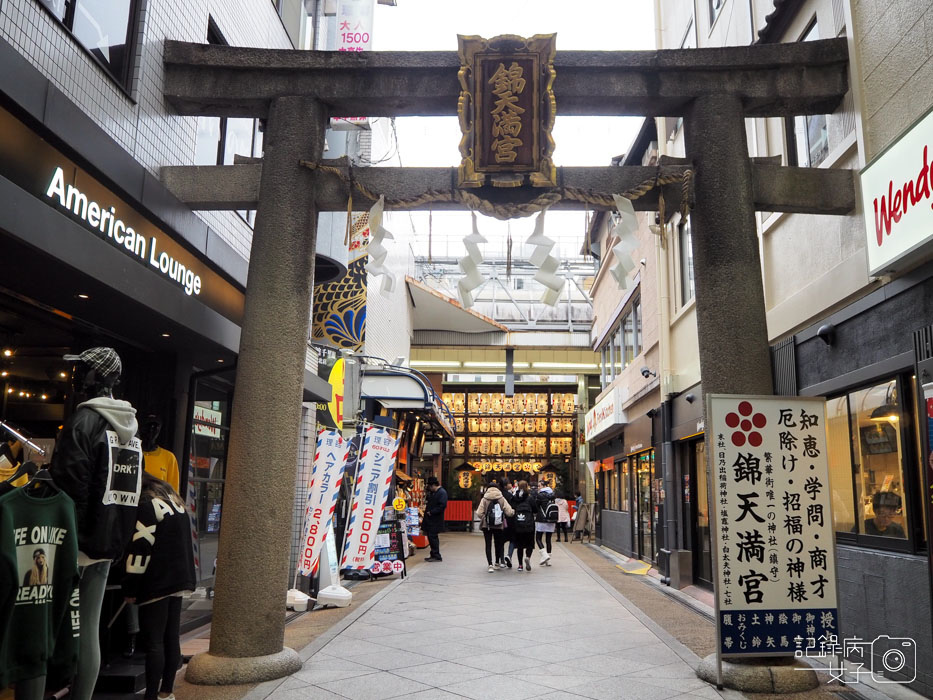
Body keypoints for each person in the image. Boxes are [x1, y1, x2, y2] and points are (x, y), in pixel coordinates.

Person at [49, 347, 141, 700]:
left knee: (54, 623)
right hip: (109, 541)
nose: (75, 375)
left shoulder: (84, 421)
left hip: (76, 541)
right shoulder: (129, 428)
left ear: (99, 376)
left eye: (83, 369)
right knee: (88, 623)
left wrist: (72, 536)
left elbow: (68, 484)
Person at [123, 473, 196, 700]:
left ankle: (151, 695)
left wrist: (131, 587)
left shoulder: (147, 506)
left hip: (157, 580)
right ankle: (166, 692)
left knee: (154, 641)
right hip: (180, 578)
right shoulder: (177, 504)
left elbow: (141, 547)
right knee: (171, 637)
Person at [476, 475, 514, 572]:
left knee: (488, 544)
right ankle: (497, 562)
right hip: (498, 524)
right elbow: (509, 512)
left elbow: (479, 513)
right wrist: (513, 512)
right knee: (498, 543)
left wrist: (485, 518)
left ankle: (490, 565)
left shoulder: (484, 499)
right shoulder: (501, 498)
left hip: (486, 525)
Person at [511, 480, 536, 571]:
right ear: (527, 486)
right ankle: (528, 557)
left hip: (518, 524)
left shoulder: (515, 498)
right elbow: (535, 509)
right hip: (529, 525)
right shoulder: (530, 498)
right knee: (529, 544)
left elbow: (511, 508)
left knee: (519, 545)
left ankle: (520, 565)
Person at [422, 476, 448, 561]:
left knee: (433, 537)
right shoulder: (436, 492)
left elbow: (442, 506)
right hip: (431, 519)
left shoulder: (441, 493)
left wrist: (431, 512)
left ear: (433, 485)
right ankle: (433, 554)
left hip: (435, 519)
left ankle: (436, 555)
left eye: (429, 486)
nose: (429, 488)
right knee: (431, 537)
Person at [535, 485, 558, 565]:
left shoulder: (540, 495)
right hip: (551, 519)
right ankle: (548, 560)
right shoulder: (552, 495)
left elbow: (536, 506)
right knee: (548, 539)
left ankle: (544, 555)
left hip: (541, 518)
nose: (538, 487)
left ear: (543, 487)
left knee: (538, 538)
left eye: (539, 485)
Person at [499, 476, 516, 567]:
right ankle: (509, 555)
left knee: (501, 540)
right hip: (510, 520)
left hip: (499, 520)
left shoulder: (498, 495)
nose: (511, 484)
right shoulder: (510, 496)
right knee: (512, 539)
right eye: (509, 483)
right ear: (506, 486)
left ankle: (502, 560)